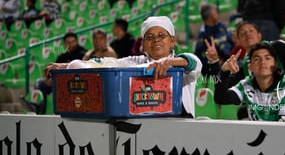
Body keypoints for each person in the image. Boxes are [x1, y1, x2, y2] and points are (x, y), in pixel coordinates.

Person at [45, 16, 202, 118]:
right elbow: (106, 63)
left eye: (161, 35)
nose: (156, 40)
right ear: (143, 44)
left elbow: (194, 62)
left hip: (181, 129)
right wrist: (67, 65)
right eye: (149, 37)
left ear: (172, 40)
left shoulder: (183, 65)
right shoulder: (136, 61)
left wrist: (168, 62)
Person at [214, 42, 285, 121]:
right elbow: (220, 98)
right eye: (257, 59)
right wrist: (224, 72)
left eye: (267, 58)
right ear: (250, 67)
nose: (262, 62)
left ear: (275, 64)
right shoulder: (245, 85)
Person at [23, 33, 87, 114]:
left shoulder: (84, 54)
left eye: (73, 42)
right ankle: (39, 107)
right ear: (64, 44)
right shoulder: (62, 56)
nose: (70, 44)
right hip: (60, 81)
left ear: (77, 42)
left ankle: (38, 108)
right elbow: (54, 70)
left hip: (76, 82)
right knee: (39, 83)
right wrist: (49, 78)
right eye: (68, 42)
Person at [194, 3, 234, 75]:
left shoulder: (221, 26)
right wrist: (213, 60)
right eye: (216, 12)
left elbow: (232, 41)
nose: (218, 14)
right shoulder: (203, 33)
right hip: (216, 66)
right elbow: (198, 55)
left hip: (231, 59)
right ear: (212, 16)